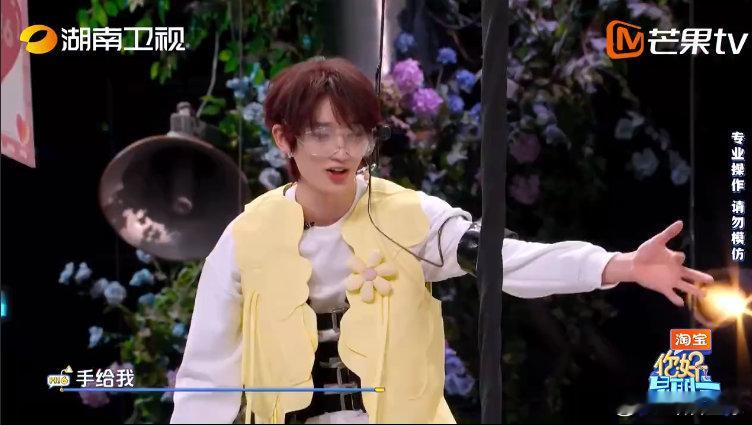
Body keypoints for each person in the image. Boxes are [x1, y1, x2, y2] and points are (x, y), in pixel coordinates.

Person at [170, 57, 711, 424]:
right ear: (284, 139)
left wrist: (620, 266)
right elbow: (207, 377)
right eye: (321, 133)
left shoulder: (409, 215)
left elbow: (506, 262)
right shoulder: (246, 237)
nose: (342, 150)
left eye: (356, 133)